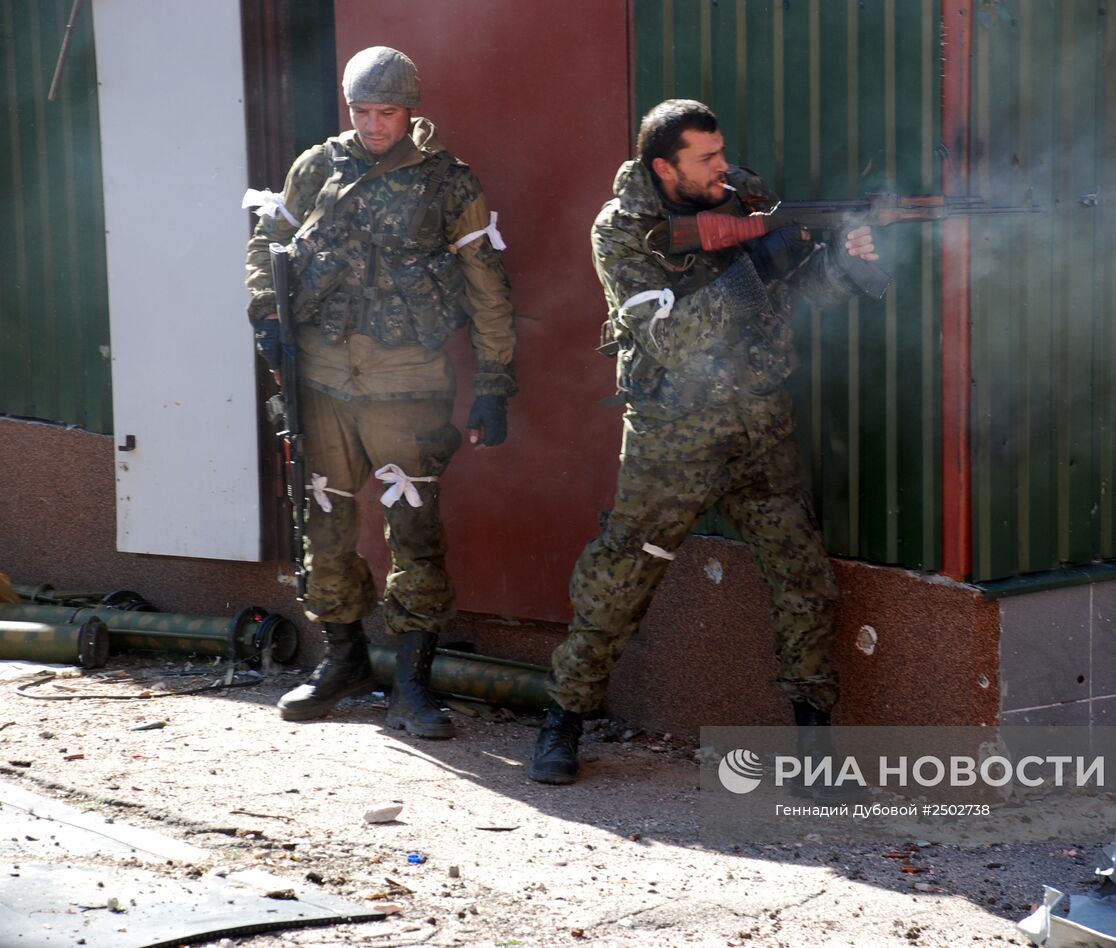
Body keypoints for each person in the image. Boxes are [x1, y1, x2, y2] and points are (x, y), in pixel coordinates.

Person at [529, 99, 878, 785]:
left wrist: (846, 266)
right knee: (621, 574)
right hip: (674, 436)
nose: (724, 167)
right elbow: (672, 338)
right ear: (665, 166)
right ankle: (561, 722)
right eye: (706, 159)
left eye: (722, 152)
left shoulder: (744, 196)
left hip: (761, 422)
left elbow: (802, 291)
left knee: (805, 579)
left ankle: (815, 751)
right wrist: (762, 266)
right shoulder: (623, 229)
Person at [244, 46, 517, 739]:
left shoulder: (448, 184)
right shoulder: (316, 168)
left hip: (407, 384)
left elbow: (488, 289)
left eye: (385, 112)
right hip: (322, 381)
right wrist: (267, 318)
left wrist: (493, 384)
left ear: (410, 109)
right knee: (325, 525)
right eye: (361, 111)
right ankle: (343, 661)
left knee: (414, 533)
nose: (371, 125)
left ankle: (414, 685)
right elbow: (268, 240)